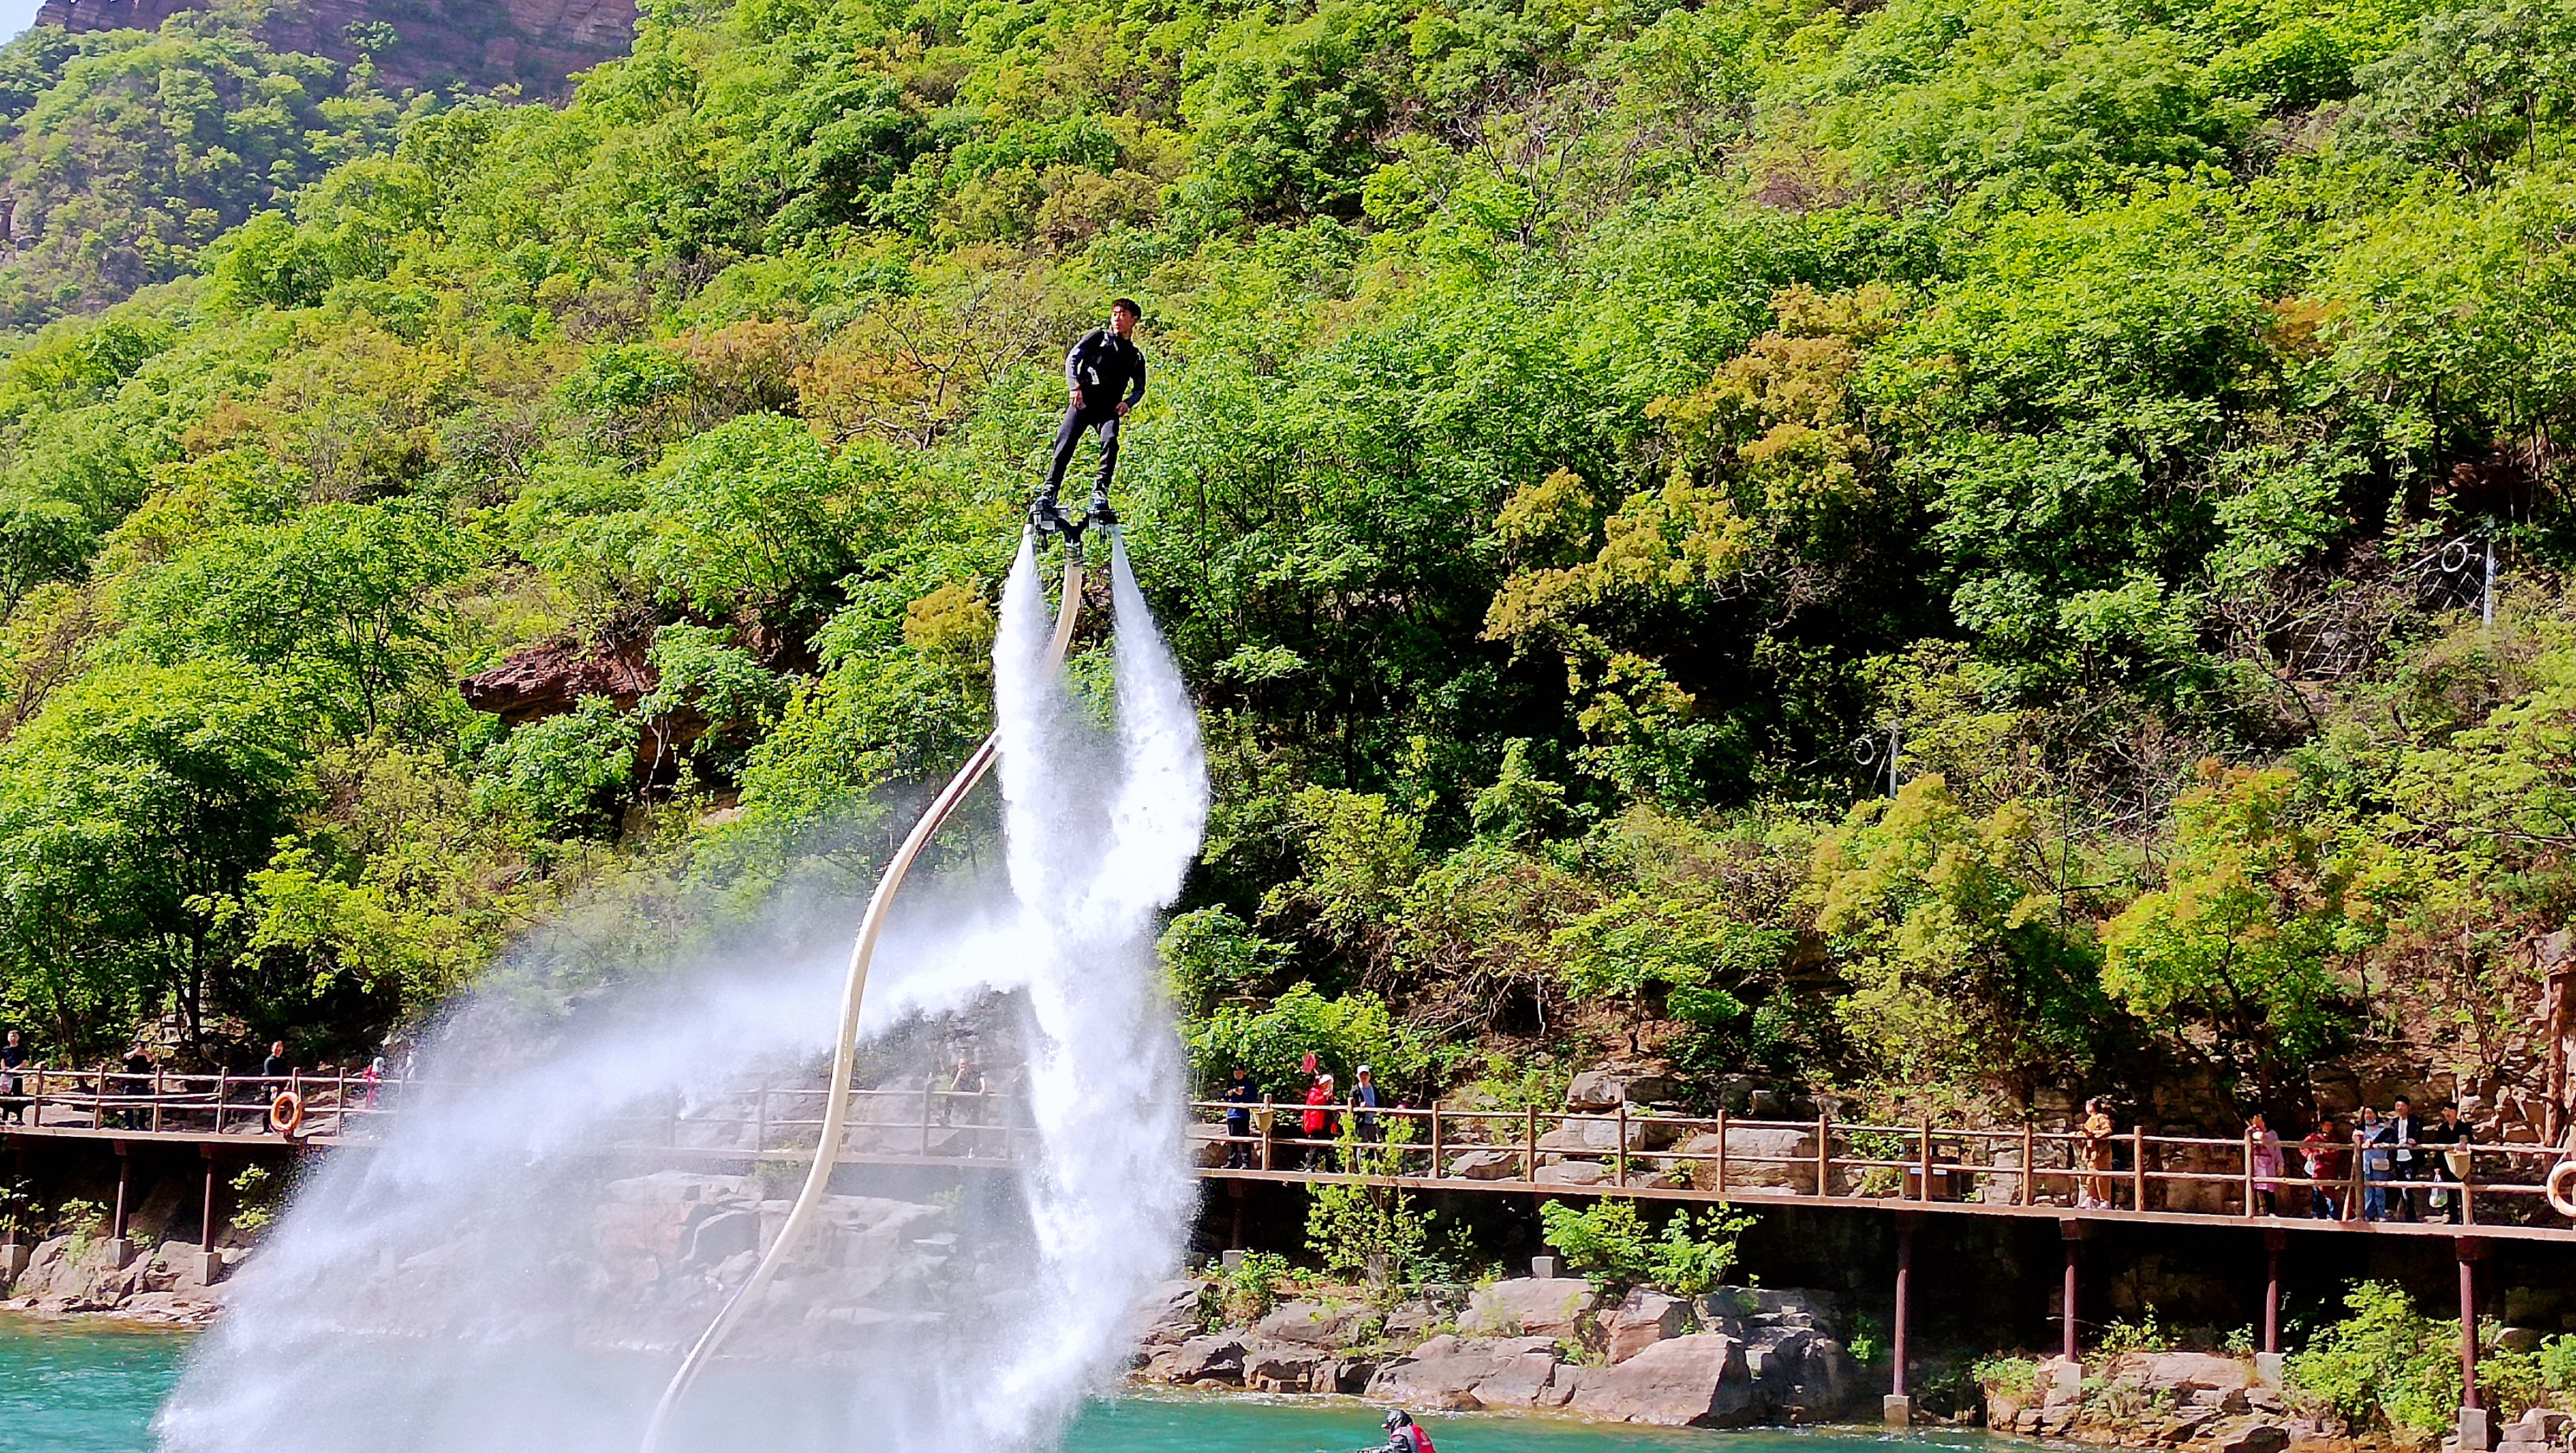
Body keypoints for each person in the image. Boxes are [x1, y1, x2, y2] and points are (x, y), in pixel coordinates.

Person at [1032, 299, 1146, 534]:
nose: (1117, 318)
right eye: (1115, 313)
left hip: (1108, 409)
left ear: (1134, 319)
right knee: (1065, 442)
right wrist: (1074, 387)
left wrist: (1128, 403)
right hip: (1083, 403)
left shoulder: (1134, 356)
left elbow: (1139, 388)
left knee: (1110, 440)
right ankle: (1049, 492)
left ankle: (1100, 492)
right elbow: (1073, 359)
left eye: (1123, 314)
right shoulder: (1099, 338)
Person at [2424, 1102, 2474, 1224]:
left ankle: (2468, 1218)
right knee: (2450, 1192)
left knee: (2464, 1191)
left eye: (2450, 1110)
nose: (2447, 1113)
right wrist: (2437, 1165)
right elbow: (2438, 1148)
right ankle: (2453, 1217)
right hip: (2446, 1164)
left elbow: (2468, 1144)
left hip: (2462, 1163)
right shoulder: (2442, 1128)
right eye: (2445, 1110)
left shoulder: (2464, 1127)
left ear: (2456, 1112)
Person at [2386, 1096, 2424, 1222]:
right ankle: (2408, 1213)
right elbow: (2388, 1134)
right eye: (2397, 1106)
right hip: (2398, 1158)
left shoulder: (2415, 1121)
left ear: (2408, 1107)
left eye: (2402, 1106)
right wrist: (2374, 1142)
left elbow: (2418, 1133)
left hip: (2411, 1158)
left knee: (2408, 1185)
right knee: (2402, 1185)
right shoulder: (2394, 1123)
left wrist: (2414, 1140)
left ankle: (2410, 1214)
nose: (2400, 1108)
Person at [2299, 1119, 2344, 1218]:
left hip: (2330, 1169)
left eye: (2330, 1125)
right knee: (2317, 1192)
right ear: (2322, 1125)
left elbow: (2336, 1153)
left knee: (2330, 1193)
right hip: (2318, 1169)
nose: (2329, 1127)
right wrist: (2310, 1155)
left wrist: (2323, 1153)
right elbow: (2303, 1146)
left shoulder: (2334, 1139)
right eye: (2327, 1125)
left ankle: (2331, 1215)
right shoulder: (2314, 1137)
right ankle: (2317, 1215)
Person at [2355, 1106, 2394, 1220]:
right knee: (2368, 1190)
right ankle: (2369, 1215)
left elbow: (2388, 1140)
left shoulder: (2384, 1129)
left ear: (2376, 1114)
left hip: (2380, 1161)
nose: (2369, 1116)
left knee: (2379, 1189)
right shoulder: (2361, 1129)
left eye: (2371, 1113)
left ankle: (2381, 1214)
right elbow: (2356, 1141)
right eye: (2366, 1113)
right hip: (2366, 1163)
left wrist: (2374, 1143)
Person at [2079, 1098, 2117, 1208]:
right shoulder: (2090, 1120)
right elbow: (2086, 1132)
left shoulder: (2101, 1118)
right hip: (2091, 1153)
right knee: (2091, 1177)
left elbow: (2107, 1130)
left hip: (2101, 1152)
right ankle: (2092, 1198)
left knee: (2102, 1177)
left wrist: (2095, 1134)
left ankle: (2105, 1201)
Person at [1223, 1065, 1258, 1169]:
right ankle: (1231, 1162)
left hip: (1243, 1115)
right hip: (1232, 1115)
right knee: (1233, 1140)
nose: (1237, 1074)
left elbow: (1252, 1098)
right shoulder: (1231, 1083)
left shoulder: (1249, 1084)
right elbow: (1224, 1096)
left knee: (1244, 1140)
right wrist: (1229, 1093)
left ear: (1244, 1072)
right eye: (1235, 1072)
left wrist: (1242, 1094)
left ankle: (1246, 1162)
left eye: (1239, 1072)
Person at [1302, 1072, 1339, 1170]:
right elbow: (1316, 1102)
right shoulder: (1314, 1092)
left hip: (1326, 1123)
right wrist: (1325, 1095)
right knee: (1315, 1145)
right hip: (1316, 1123)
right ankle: (1310, 1167)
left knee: (1329, 1146)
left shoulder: (1329, 1094)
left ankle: (1331, 1168)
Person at [2248, 1112, 2283, 1216]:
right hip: (2256, 1164)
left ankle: (2271, 1212)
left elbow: (2277, 1150)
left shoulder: (2272, 1134)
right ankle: (2254, 1211)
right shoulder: (2251, 1132)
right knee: (2254, 1187)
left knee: (2269, 1188)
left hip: (2268, 1164)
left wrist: (2280, 1163)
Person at [1367, 1409, 1435, 1453]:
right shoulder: (1417, 1430)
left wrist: (1369, 1452)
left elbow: (1392, 1450)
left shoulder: (1401, 1434)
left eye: (1390, 1427)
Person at [1350, 1065, 1382, 1143]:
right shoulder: (1355, 1090)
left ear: (1369, 1075)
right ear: (1358, 1076)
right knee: (1362, 1144)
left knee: (1375, 1144)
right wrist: (1359, 1107)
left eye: (1366, 1074)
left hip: (1374, 1122)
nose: (1364, 1077)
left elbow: (1380, 1104)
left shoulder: (1375, 1090)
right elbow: (1350, 1107)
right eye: (1362, 1075)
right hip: (1361, 1122)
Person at [1, 1029, 26, 1125]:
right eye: (11, 1036)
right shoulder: (5, 1049)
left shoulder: (22, 1049)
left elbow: (25, 1061)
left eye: (15, 1036)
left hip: (17, 1076)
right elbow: (2, 1060)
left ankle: (19, 1118)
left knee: (18, 1097)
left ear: (18, 1037)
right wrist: (4, 1068)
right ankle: (4, 1118)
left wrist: (16, 1069)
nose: (13, 1038)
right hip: (7, 1076)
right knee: (5, 1097)